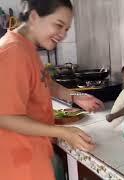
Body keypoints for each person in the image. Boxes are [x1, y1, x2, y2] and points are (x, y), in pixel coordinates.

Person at [0, 0, 105, 179]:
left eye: (67, 29)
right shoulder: (13, 52)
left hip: (31, 155)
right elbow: (5, 117)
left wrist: (76, 96)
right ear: (34, 17)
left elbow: (45, 82)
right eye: (59, 25)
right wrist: (63, 132)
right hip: (17, 164)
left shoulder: (26, 46)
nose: (63, 34)